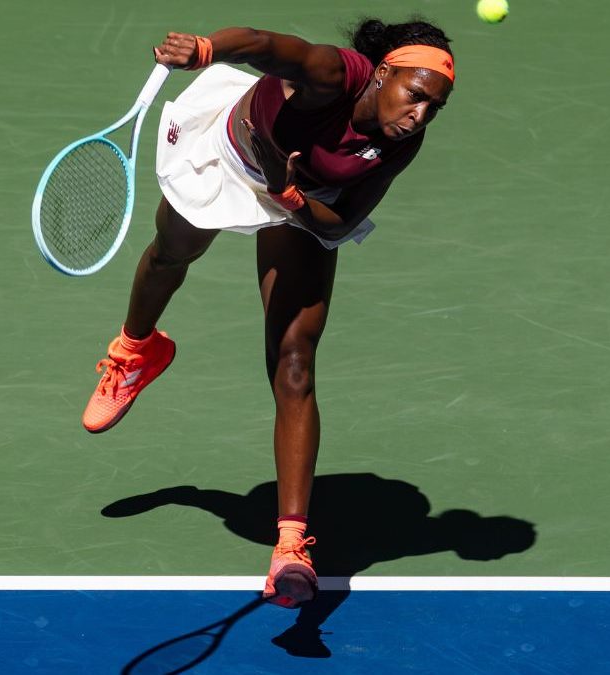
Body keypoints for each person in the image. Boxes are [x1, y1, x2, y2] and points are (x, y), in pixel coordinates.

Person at [82, 18, 455, 608]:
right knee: (171, 255)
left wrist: (290, 198)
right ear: (382, 74)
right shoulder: (333, 73)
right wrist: (205, 50)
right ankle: (136, 349)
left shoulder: (402, 141)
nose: (420, 115)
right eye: (415, 95)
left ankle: (290, 548)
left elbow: (346, 222)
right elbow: (262, 45)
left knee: (295, 363)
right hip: (227, 155)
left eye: (436, 107)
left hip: (299, 201)